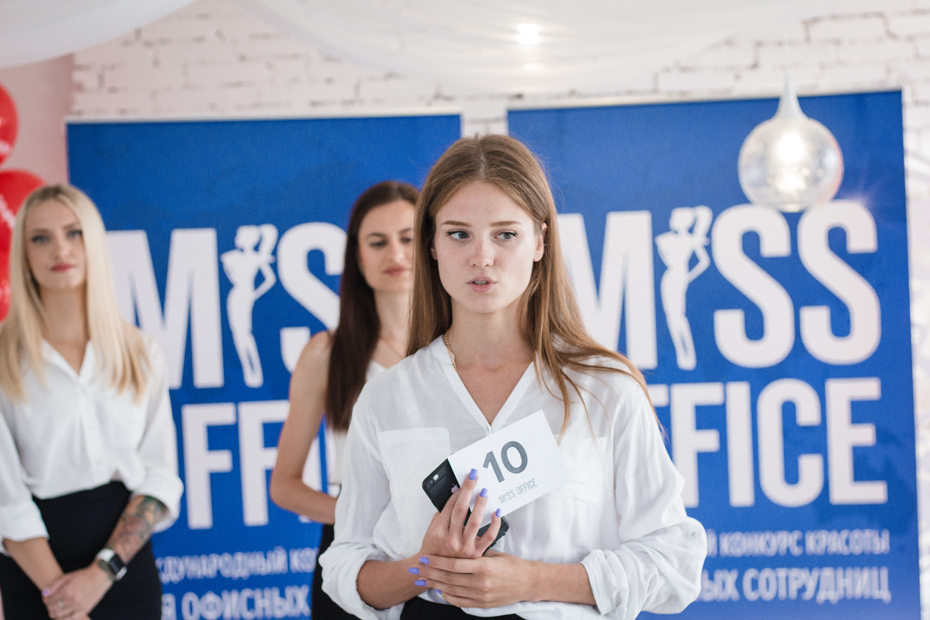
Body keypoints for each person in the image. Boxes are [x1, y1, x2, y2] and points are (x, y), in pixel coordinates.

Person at [320, 135, 707, 619]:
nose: (482, 257)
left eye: (505, 234)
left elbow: (674, 562)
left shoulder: (606, 390)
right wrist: (427, 568)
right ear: (432, 244)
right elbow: (344, 565)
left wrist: (532, 581)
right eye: (459, 234)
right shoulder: (387, 398)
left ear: (540, 241)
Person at [0, 184, 183, 620]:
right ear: (23, 254)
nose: (60, 249)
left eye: (74, 232)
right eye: (40, 238)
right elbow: (5, 500)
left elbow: (159, 475)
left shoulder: (140, 351)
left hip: (124, 571)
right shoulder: (4, 359)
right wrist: (62, 599)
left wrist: (102, 573)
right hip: (37, 575)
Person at [269, 181, 420, 619]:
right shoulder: (325, 354)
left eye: (408, 238)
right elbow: (284, 485)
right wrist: (360, 515)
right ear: (357, 256)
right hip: (355, 553)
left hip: (441, 548)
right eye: (378, 242)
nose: (395, 254)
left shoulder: (460, 345)